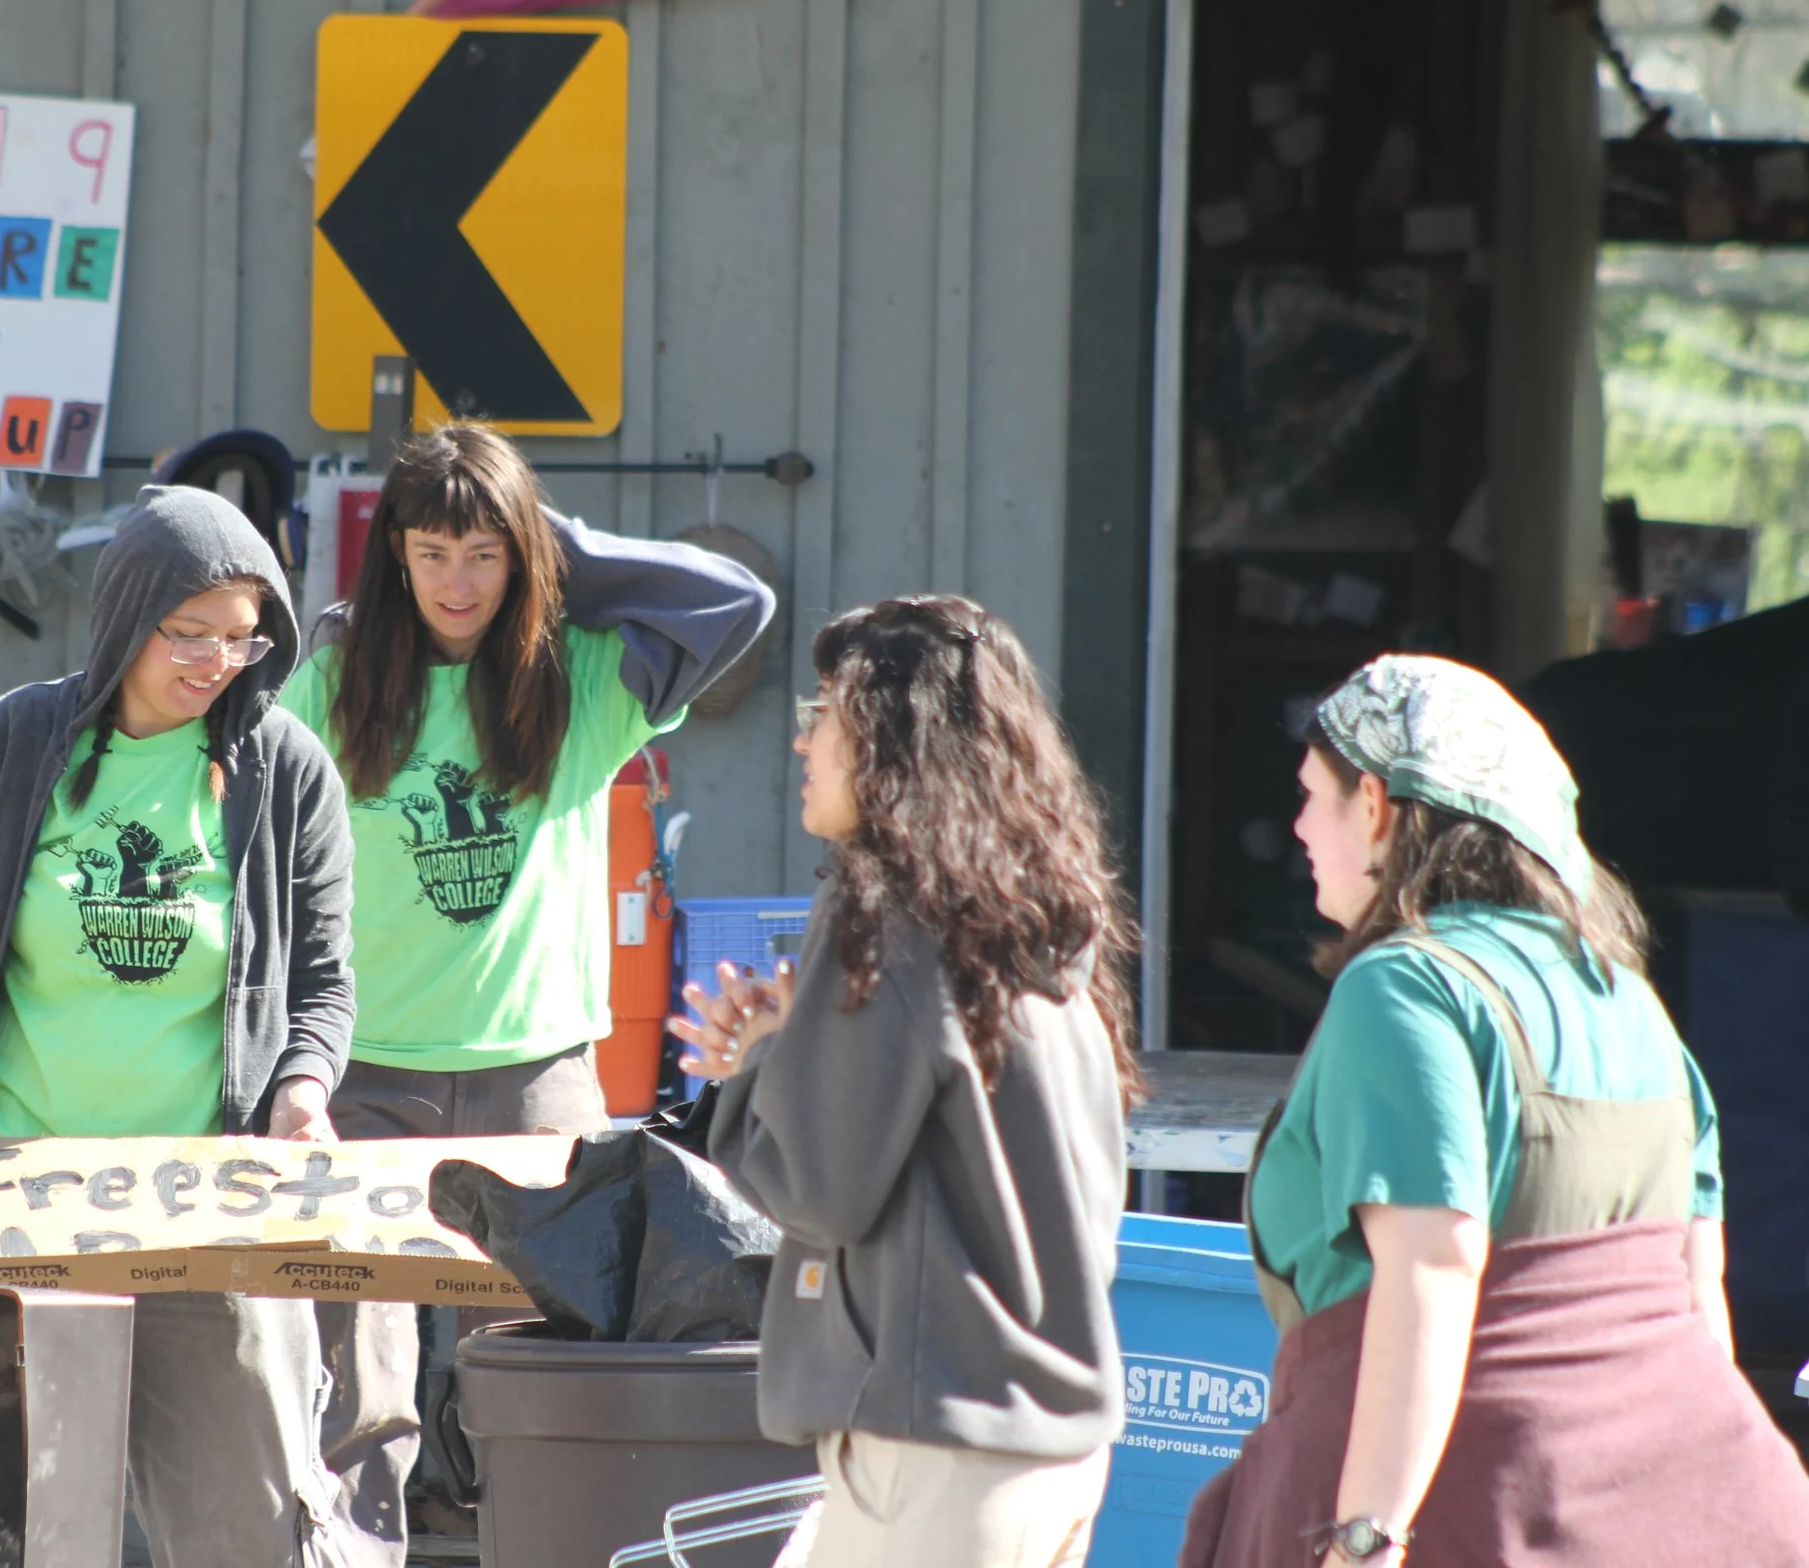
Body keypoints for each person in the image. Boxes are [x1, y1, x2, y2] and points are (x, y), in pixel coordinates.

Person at [1181, 654, 1809, 1567]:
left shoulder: (1406, 986)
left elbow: (1432, 1267)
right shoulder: (1628, 1001)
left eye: (1313, 795)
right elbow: (1694, 1299)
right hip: (1673, 1513)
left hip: (1469, 1512)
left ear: (1378, 805)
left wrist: (1365, 1537)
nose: (1299, 828)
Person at [278, 421, 773, 1563]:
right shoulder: (334, 682)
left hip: (535, 1080)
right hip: (365, 1080)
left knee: (537, 1370)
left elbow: (736, 602)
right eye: (435, 549)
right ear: (393, 553)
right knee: (358, 1384)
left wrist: (559, 547)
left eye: (486, 553)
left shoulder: (581, 679)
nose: (459, 581)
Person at [0, 485, 355, 1568]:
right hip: (13, 1199)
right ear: (126, 615)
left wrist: (303, 1087)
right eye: (190, 632)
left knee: (243, 1529)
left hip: (206, 1208)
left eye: (242, 635)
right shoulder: (14, 740)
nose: (218, 659)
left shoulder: (288, 769)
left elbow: (320, 983)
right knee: (18, 1528)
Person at [677, 594, 1138, 1568]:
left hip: (936, 1447)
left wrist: (757, 1062)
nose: (802, 742)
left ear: (890, 736)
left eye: (823, 713)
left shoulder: (888, 910)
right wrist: (787, 1043)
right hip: (1053, 1445)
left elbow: (815, 1183)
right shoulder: (1043, 912)